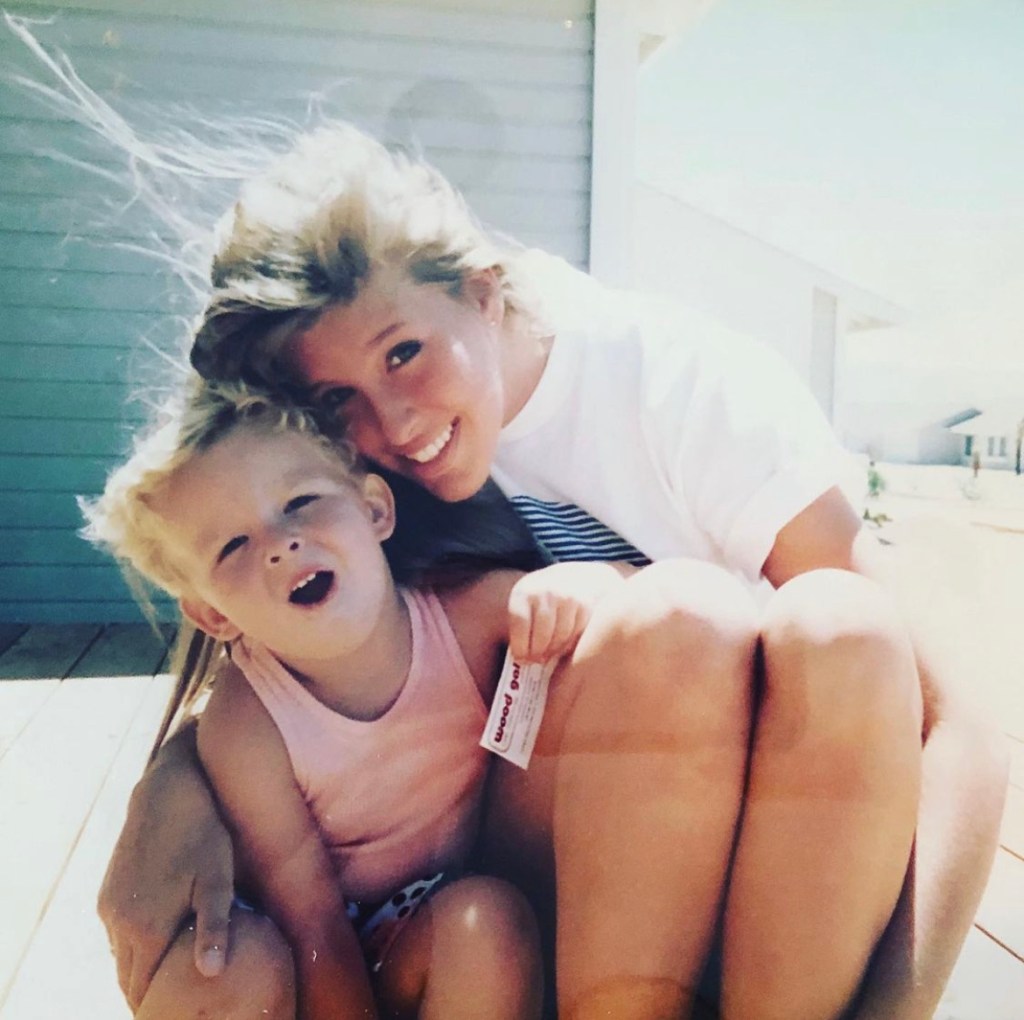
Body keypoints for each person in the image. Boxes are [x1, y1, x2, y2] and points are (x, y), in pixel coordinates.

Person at [96, 124, 1007, 1020]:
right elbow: (264, 615)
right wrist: (173, 791)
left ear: (484, 293)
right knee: (673, 621)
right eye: (339, 399)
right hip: (530, 890)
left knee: (799, 622)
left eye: (405, 353)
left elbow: (959, 723)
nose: (397, 422)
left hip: (780, 865)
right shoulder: (359, 455)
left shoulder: (679, 386)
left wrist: (898, 1007)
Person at [84, 381, 574, 1019]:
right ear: (211, 613)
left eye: (300, 501)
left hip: (433, 926)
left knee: (486, 923)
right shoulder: (247, 719)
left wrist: (581, 585)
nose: (280, 543)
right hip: (316, 943)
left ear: (375, 509)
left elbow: (622, 605)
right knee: (219, 968)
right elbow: (310, 916)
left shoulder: (467, 614)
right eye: (233, 546)